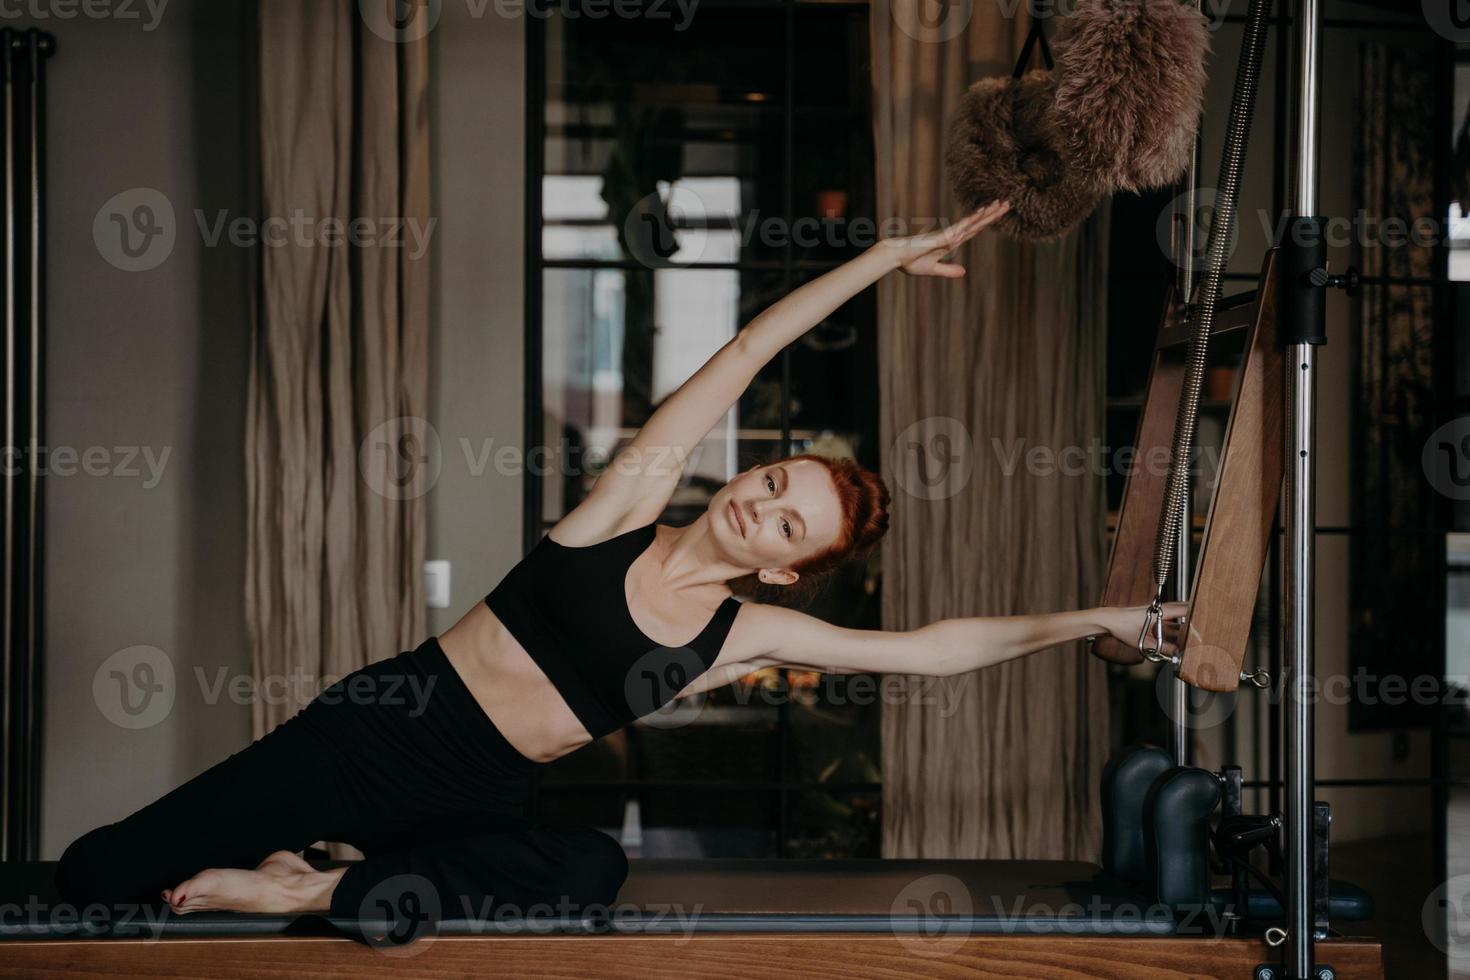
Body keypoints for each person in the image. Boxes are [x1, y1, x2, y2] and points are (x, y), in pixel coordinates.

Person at [55, 200, 1183, 927]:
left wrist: (1093, 618)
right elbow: (749, 350)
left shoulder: (743, 633)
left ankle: (312, 886)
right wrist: (882, 258)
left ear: (788, 573)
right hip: (369, 740)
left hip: (471, 800)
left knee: (590, 867)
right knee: (97, 877)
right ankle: (328, 862)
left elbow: (935, 652)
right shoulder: (626, 504)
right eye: (776, 481)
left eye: (791, 528)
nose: (762, 505)